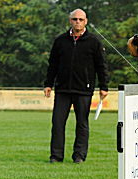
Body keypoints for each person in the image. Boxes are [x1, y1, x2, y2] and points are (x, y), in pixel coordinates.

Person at [44, 8, 109, 163]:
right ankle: (56, 156)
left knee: (82, 124)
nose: (77, 22)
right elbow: (52, 64)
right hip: (62, 89)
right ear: (70, 21)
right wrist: (48, 84)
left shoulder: (94, 42)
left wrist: (104, 86)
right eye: (75, 19)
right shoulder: (60, 41)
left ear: (86, 21)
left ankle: (79, 156)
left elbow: (102, 65)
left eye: (81, 19)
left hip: (84, 90)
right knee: (58, 123)